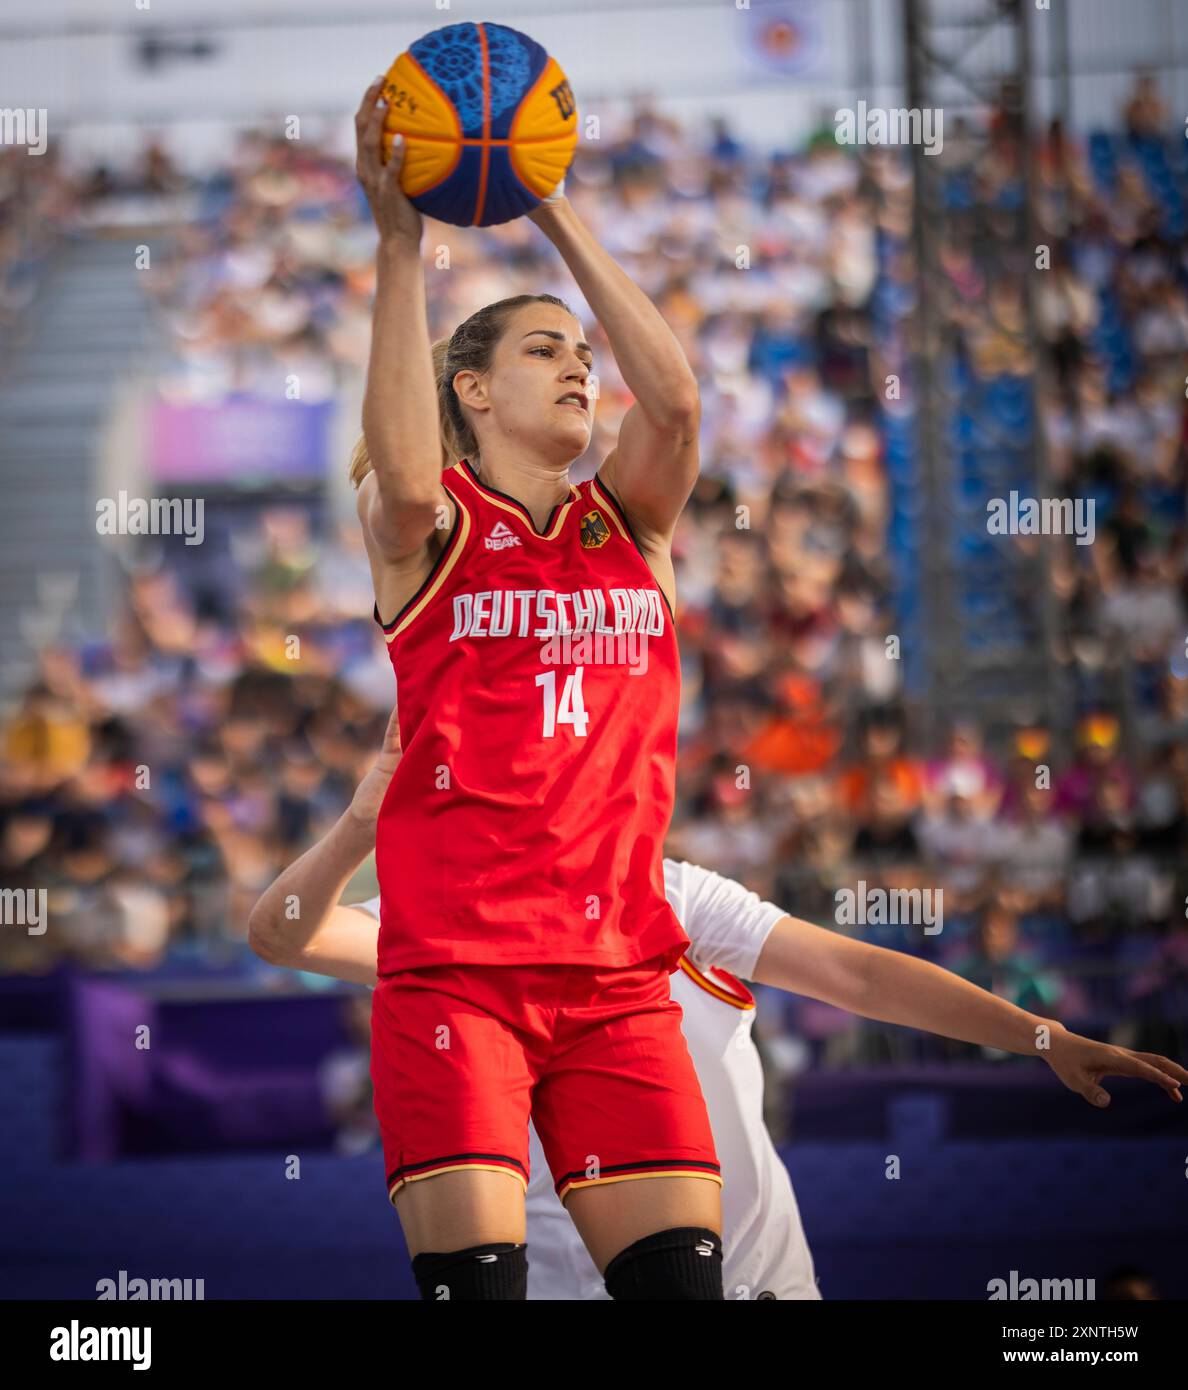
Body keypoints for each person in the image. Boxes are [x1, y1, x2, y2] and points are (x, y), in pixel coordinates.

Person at [249, 711, 1188, 1299]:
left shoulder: (681, 897)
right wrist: (362, 823)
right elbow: (283, 935)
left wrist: (1041, 1033)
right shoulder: (445, 920)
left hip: (754, 1282)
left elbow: (861, 977)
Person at [348, 77, 714, 1299]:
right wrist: (401, 244)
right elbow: (401, 466)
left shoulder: (634, 524)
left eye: (581, 353)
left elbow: (674, 401)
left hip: (619, 979)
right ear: (472, 389)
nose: (577, 368)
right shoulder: (427, 526)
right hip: (458, 976)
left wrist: (550, 206)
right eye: (543, 350)